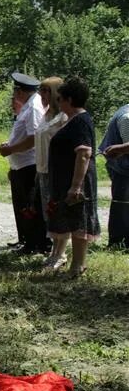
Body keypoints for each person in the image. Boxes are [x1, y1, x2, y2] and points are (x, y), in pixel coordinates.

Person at [45, 77, 100, 278]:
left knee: (79, 222)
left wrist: (76, 186)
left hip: (77, 182)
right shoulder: (75, 120)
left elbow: (84, 153)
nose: (58, 103)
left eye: (59, 98)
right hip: (67, 181)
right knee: (73, 220)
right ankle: (76, 265)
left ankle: (77, 266)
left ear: (68, 99)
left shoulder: (80, 121)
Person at [0, 72, 49, 254]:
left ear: (20, 91)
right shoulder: (28, 106)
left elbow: (34, 137)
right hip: (21, 165)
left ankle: (35, 244)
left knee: (30, 206)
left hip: (30, 165)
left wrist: (11, 149)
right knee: (23, 205)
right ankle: (28, 241)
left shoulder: (34, 107)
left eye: (16, 90)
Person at [34, 77, 67, 267]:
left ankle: (61, 253)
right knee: (49, 213)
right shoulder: (45, 115)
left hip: (56, 170)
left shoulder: (62, 117)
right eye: (41, 91)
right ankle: (54, 251)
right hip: (42, 169)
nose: (42, 95)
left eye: (46, 91)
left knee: (58, 212)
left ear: (55, 93)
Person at [99, 104, 129, 249]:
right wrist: (121, 149)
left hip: (122, 167)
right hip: (123, 169)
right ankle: (119, 243)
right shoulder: (127, 117)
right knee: (122, 206)